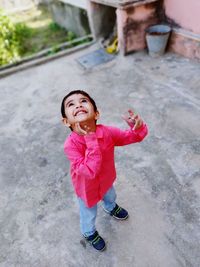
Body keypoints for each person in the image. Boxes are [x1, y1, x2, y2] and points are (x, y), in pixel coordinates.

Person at [61, 90, 148, 251]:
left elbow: (132, 137)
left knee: (110, 195)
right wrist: (91, 139)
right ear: (66, 122)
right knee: (88, 213)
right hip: (86, 188)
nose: (78, 104)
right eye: (71, 104)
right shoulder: (71, 145)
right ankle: (89, 232)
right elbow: (89, 171)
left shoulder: (107, 132)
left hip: (107, 179)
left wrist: (138, 127)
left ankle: (110, 207)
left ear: (96, 113)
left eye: (84, 101)